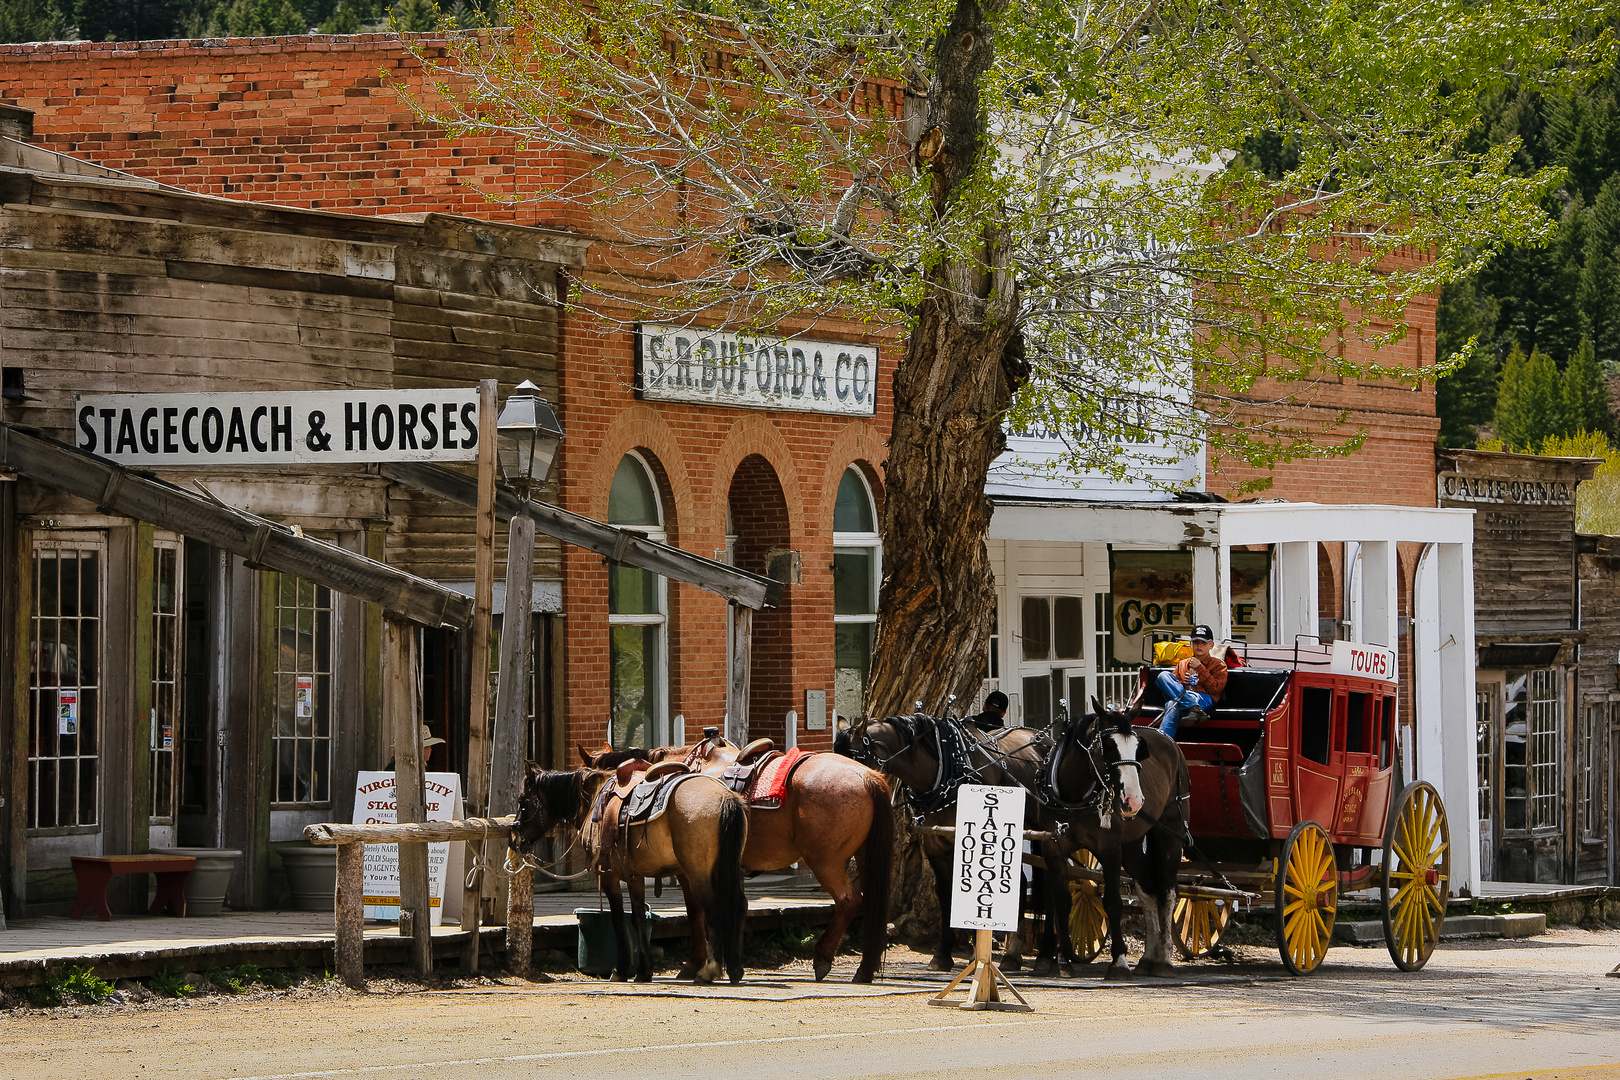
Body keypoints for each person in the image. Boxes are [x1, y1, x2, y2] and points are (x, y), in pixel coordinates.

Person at [1155, 625, 1227, 739]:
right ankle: (1194, 708)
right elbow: (1172, 686)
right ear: (1191, 644)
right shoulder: (1182, 663)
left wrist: (1200, 668)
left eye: (1203, 643)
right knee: (1163, 676)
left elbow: (1216, 689)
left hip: (1204, 698)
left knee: (1171, 705)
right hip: (1184, 696)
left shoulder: (1219, 665)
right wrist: (1181, 682)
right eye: (1195, 642)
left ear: (1211, 645)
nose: (1199, 645)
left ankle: (1161, 741)